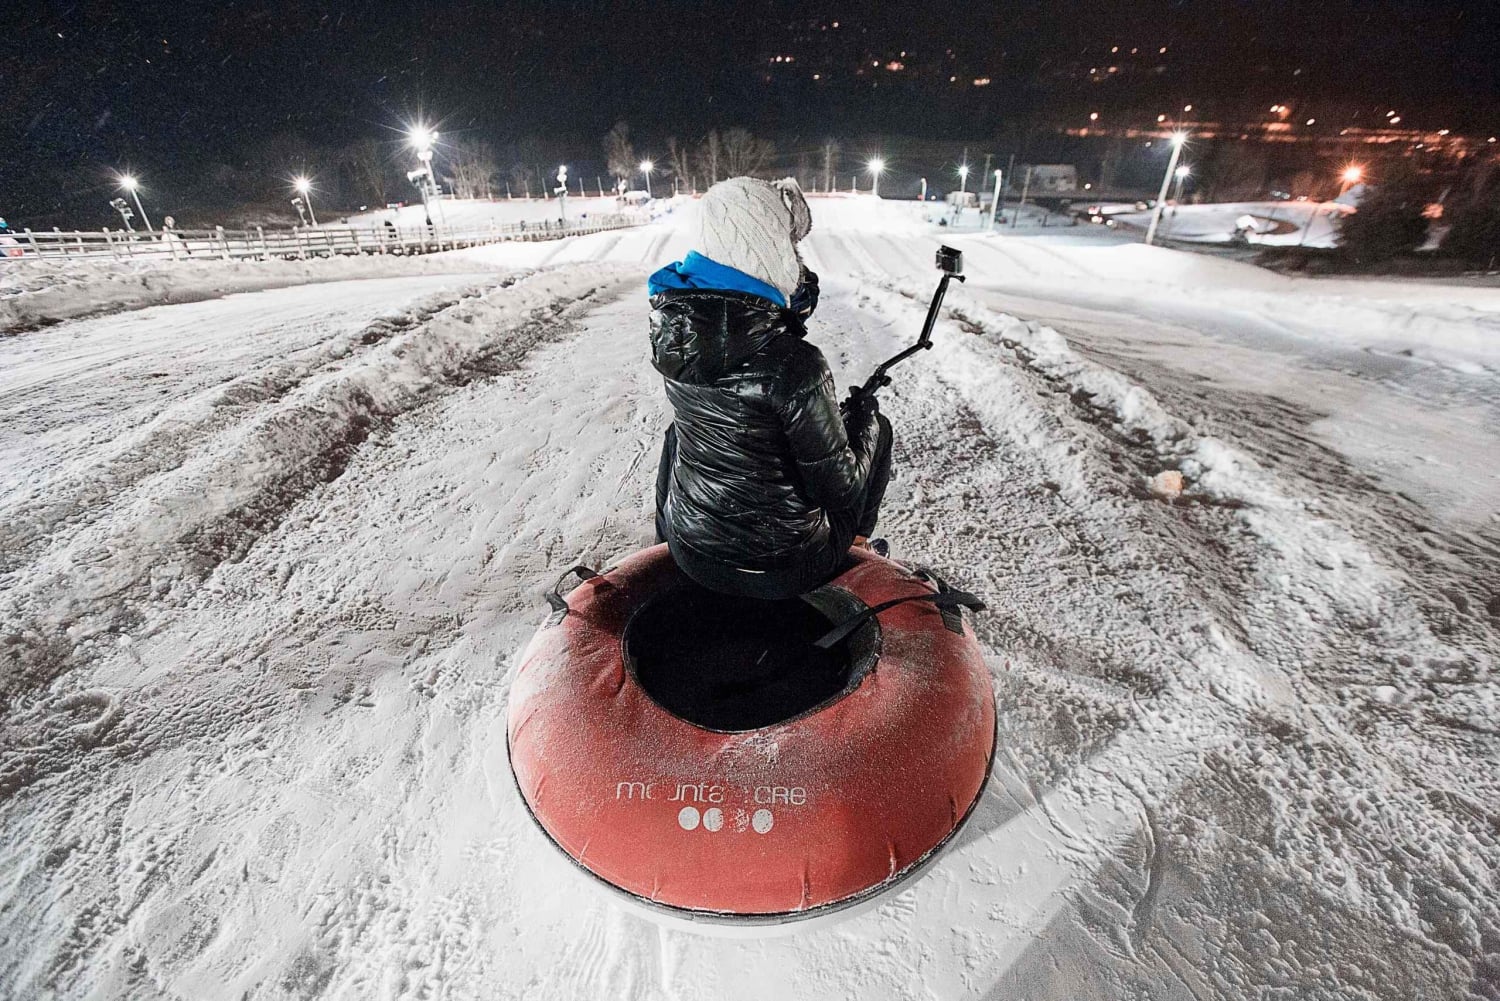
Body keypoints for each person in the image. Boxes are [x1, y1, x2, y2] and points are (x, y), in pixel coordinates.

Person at [647, 177, 893, 601]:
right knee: (878, 427)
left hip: (689, 551)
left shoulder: (674, 333)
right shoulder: (795, 364)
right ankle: (856, 545)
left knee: (678, 433)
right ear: (769, 247)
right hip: (782, 569)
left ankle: (659, 540)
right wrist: (861, 416)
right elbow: (839, 489)